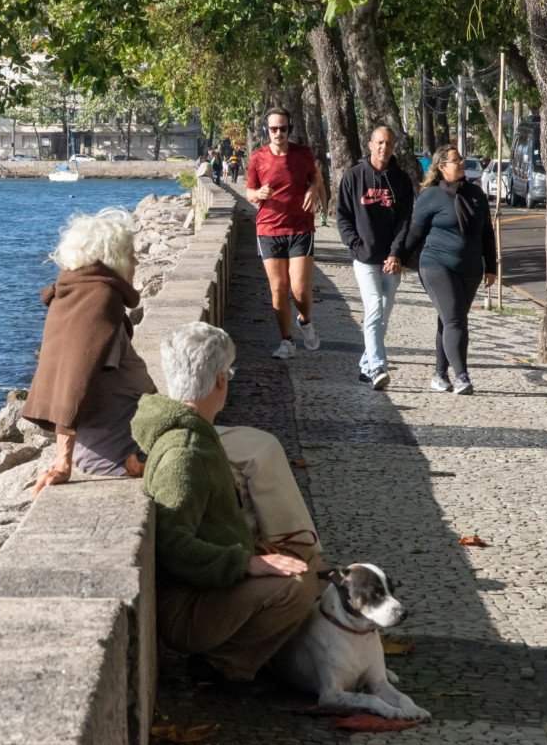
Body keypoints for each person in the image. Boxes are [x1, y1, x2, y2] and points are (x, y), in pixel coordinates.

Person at [131, 322, 319, 683]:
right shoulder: (185, 452)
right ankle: (223, 664)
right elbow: (173, 544)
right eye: (228, 373)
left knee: (299, 561)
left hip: (200, 589)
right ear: (220, 380)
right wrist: (245, 563)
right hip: (185, 610)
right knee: (296, 586)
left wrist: (253, 548)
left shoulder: (194, 434)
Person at [22, 207, 157, 496]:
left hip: (121, 447)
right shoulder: (100, 302)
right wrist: (62, 461)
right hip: (127, 454)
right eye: (131, 255)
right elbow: (76, 377)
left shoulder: (74, 295)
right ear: (115, 259)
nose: (135, 262)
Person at [404, 144, 498, 396]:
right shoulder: (430, 196)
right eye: (455, 160)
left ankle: (439, 375)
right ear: (441, 166)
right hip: (437, 265)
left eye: (461, 159)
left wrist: (491, 266)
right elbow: (415, 233)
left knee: (449, 320)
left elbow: (487, 234)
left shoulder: (476, 194)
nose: (461, 163)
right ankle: (462, 376)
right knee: (456, 319)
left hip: (470, 269)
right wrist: (396, 257)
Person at [335, 126, 415, 390]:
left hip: (392, 260)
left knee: (383, 315)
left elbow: (405, 221)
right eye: (380, 142)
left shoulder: (401, 180)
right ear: (370, 145)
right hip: (364, 258)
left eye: (389, 143)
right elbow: (343, 217)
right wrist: (356, 245)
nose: (384, 147)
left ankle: (365, 364)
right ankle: (379, 367)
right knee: (374, 308)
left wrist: (396, 253)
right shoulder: (353, 176)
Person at [245, 107, 324, 360]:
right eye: (273, 129)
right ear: (266, 130)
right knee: (278, 289)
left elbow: (316, 179)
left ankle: (305, 320)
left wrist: (312, 190)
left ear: (290, 129)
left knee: (300, 289)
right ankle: (287, 341)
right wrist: (259, 195)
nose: (278, 133)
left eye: (283, 128)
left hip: (300, 227)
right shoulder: (258, 158)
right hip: (269, 229)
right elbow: (249, 192)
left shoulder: (304, 154)